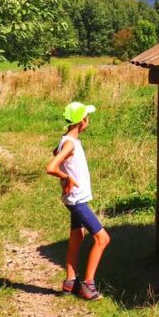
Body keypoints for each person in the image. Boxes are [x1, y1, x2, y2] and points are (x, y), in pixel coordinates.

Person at [46, 101, 111, 301]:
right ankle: (87, 285)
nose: (88, 120)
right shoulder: (70, 143)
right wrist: (66, 178)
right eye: (87, 117)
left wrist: (66, 173)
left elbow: (56, 154)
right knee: (103, 239)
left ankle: (70, 282)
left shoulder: (67, 140)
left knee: (77, 237)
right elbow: (51, 166)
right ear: (82, 121)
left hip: (74, 199)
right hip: (77, 200)